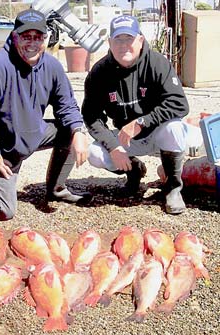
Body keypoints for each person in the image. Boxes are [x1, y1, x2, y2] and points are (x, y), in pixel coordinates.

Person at [0, 8, 91, 221]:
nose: (32, 42)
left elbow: (67, 105)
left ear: (45, 38)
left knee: (70, 130)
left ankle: (56, 189)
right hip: (1, 148)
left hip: (32, 133)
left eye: (38, 37)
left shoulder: (52, 66)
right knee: (3, 210)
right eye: (26, 36)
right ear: (14, 36)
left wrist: (78, 131)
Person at [81, 15, 190, 215]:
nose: (124, 46)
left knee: (175, 128)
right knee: (94, 154)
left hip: (158, 133)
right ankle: (134, 172)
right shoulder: (99, 72)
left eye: (129, 39)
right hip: (127, 139)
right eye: (118, 40)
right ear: (110, 43)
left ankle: (173, 188)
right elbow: (91, 116)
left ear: (140, 40)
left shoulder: (158, 63)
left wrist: (142, 121)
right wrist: (113, 147)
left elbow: (180, 104)